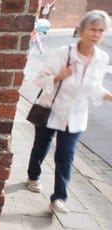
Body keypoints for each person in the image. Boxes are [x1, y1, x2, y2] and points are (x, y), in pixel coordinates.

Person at [26, 10, 112, 214]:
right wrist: (58, 76)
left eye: (101, 30)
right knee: (41, 147)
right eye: (93, 29)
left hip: (76, 116)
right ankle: (33, 176)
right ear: (81, 29)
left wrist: (107, 95)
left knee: (66, 156)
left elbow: (94, 87)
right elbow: (38, 79)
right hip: (51, 110)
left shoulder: (101, 58)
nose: (96, 34)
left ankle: (58, 198)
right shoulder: (63, 54)